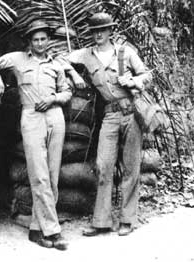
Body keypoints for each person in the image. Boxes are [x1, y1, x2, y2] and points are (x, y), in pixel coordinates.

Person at [0, 20, 71, 250]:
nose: (40, 43)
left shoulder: (57, 64)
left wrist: (54, 99)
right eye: (36, 39)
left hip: (55, 117)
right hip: (32, 119)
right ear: (29, 42)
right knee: (38, 176)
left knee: (52, 176)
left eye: (44, 39)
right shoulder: (18, 59)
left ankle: (35, 229)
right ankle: (53, 230)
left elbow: (67, 92)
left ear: (48, 40)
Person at [64, 12, 152, 236]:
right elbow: (61, 59)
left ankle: (127, 219)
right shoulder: (86, 55)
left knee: (131, 166)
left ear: (110, 31)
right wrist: (73, 75)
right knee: (103, 166)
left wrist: (132, 80)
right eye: (94, 31)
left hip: (132, 112)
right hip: (110, 115)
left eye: (102, 30)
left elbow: (147, 76)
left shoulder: (125, 52)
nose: (98, 34)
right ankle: (101, 221)